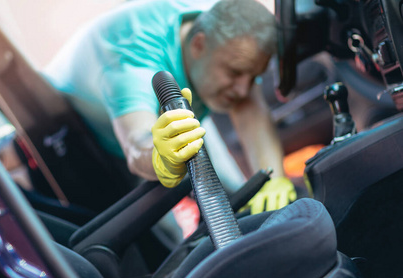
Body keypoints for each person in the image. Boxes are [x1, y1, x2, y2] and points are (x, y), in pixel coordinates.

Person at [43, 0, 296, 215]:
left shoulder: (225, 29)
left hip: (174, 112)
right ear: (198, 44)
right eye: (235, 72)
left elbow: (248, 105)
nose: (244, 89)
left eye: (253, 77)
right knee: (168, 238)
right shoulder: (135, 61)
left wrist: (274, 179)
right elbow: (136, 145)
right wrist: (161, 159)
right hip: (100, 143)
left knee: (236, 191)